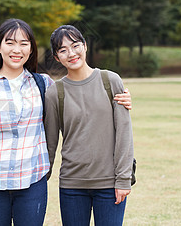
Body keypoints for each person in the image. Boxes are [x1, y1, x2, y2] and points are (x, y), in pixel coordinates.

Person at [0, 19, 132, 226]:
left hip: (33, 184)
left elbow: (114, 122)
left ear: (31, 49)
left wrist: (125, 97)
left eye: (24, 43)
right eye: (10, 43)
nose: (17, 49)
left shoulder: (43, 84)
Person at [44, 25, 134, 226]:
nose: (71, 53)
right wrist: (42, 179)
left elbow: (124, 134)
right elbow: (50, 143)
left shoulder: (110, 80)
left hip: (109, 184)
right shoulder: (54, 93)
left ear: (85, 46)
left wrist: (123, 179)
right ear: (57, 57)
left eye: (75, 45)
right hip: (72, 185)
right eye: (63, 50)